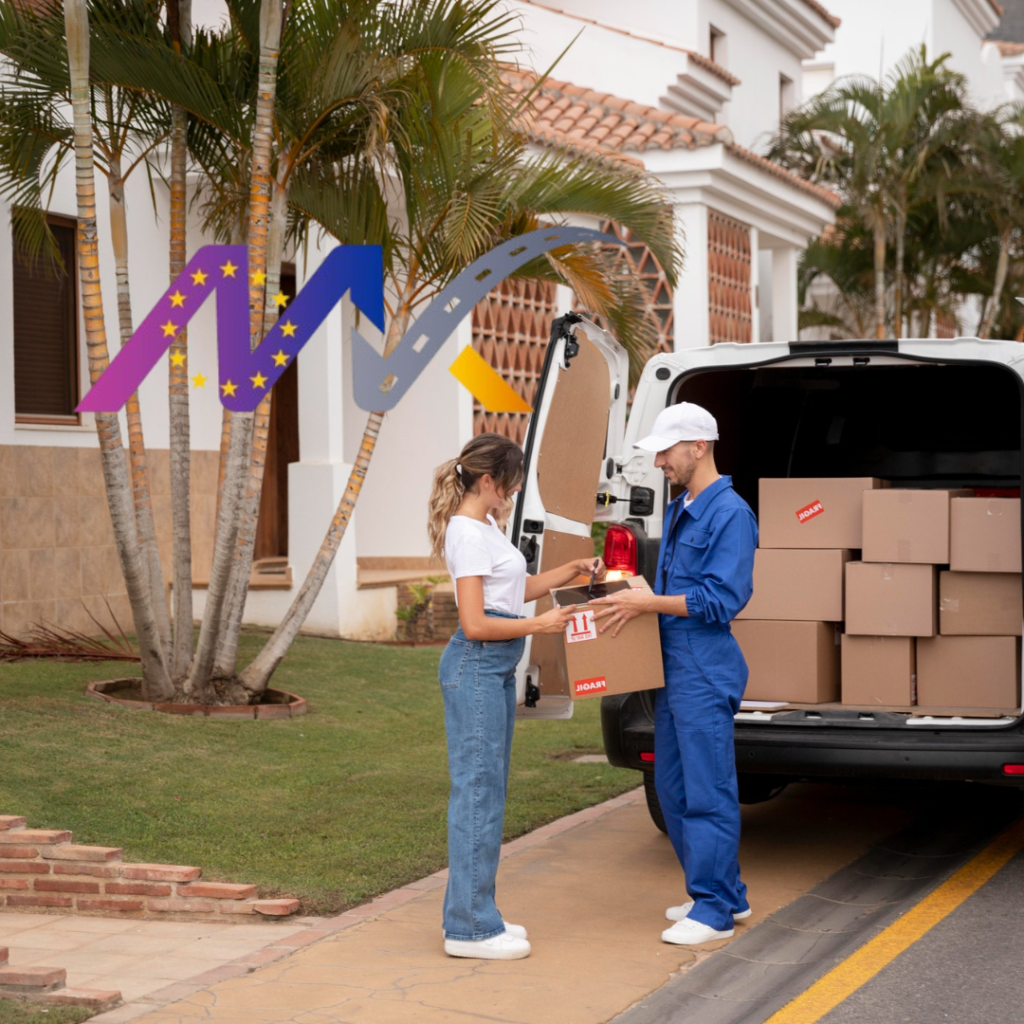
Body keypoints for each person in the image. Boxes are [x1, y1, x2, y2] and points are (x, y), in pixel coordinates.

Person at [427, 433, 605, 961]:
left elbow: (514, 589)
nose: (516, 488)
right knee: (477, 796)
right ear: (489, 481)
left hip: (494, 671)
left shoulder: (486, 526)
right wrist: (544, 623)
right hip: (477, 667)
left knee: (487, 793)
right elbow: (476, 622)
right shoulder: (467, 534)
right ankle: (471, 928)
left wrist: (570, 572)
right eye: (513, 481)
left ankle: (472, 912)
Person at [591, 403, 757, 946]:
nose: (658, 460)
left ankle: (711, 910)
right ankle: (725, 894)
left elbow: (720, 600)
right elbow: (675, 589)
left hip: (703, 669)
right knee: (674, 786)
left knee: (707, 790)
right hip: (673, 668)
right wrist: (638, 588)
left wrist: (650, 602)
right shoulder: (684, 505)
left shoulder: (730, 513)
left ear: (699, 447)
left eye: (666, 450)